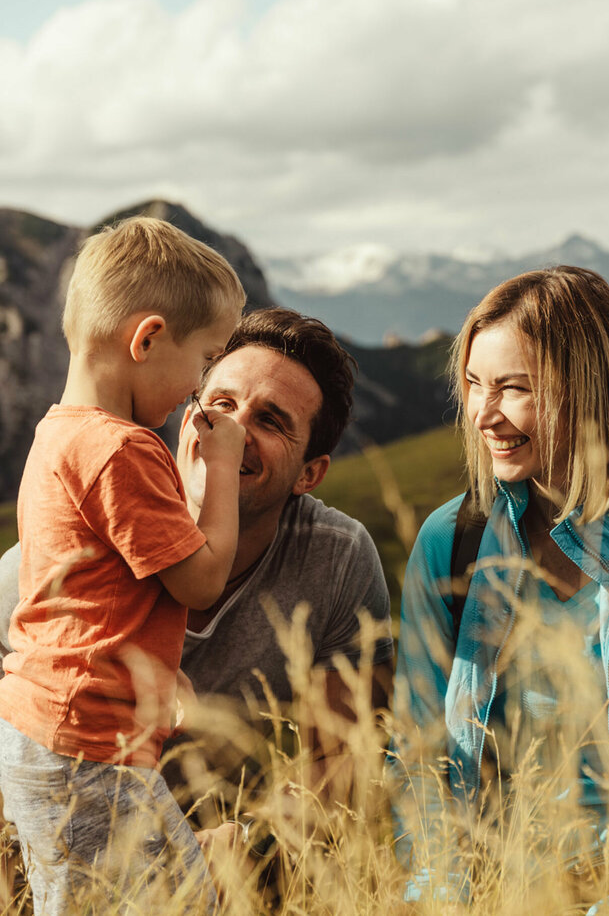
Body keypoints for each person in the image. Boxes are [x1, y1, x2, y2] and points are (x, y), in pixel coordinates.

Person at [0, 308, 394, 877]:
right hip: (62, 851)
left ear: (310, 473)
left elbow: (343, 763)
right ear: (188, 411)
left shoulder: (336, 561)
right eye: (221, 404)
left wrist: (250, 847)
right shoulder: (49, 563)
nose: (230, 431)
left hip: (237, 869)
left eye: (271, 420)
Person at [0, 216, 247, 915]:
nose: (198, 389)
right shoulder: (122, 449)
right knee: (182, 902)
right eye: (204, 362)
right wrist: (219, 473)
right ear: (147, 339)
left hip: (40, 727)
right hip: (89, 748)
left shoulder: (57, 434)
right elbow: (199, 581)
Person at [388, 266, 609, 912]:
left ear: (589, 391)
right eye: (474, 385)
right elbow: (418, 757)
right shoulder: (452, 542)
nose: (483, 414)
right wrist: (444, 896)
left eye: (513, 388)